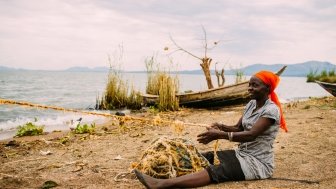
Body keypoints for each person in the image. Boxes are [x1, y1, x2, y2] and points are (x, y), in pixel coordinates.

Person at [134, 70, 288, 189]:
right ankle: (159, 171)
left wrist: (219, 135)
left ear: (267, 88)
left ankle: (162, 185)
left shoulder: (271, 110)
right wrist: (220, 126)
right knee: (205, 157)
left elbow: (250, 135)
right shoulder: (251, 104)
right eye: (249, 84)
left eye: (255, 85)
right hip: (242, 154)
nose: (250, 88)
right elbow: (238, 128)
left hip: (257, 163)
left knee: (216, 170)